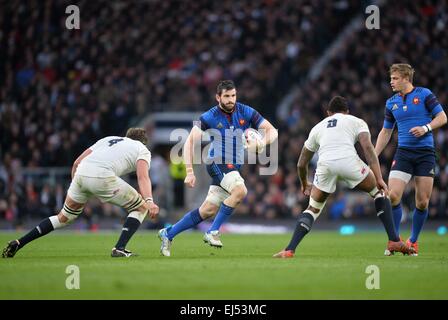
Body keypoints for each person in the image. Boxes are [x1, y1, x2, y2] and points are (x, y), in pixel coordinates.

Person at [273, 96, 415, 258]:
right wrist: (379, 177)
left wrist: (304, 183)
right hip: (349, 162)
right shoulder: (356, 121)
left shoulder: (317, 127)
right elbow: (368, 149)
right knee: (379, 192)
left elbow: (301, 163)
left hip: (325, 165)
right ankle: (394, 240)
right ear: (347, 112)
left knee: (312, 209)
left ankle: (289, 249)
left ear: (328, 113)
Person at [158, 80, 278, 256]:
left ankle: (168, 233)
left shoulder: (246, 111)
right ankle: (212, 231)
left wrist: (261, 141)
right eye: (227, 96)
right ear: (218, 97)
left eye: (233, 95)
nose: (231, 100)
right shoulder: (208, 117)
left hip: (232, 166)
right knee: (240, 190)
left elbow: (272, 131)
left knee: (207, 210)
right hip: (217, 161)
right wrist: (190, 172)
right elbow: (190, 142)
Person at [2, 128, 159, 258]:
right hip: (102, 175)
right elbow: (142, 176)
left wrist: (77, 186)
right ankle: (119, 248)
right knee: (141, 207)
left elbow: (77, 162)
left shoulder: (108, 139)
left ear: (126, 136)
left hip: (80, 174)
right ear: (143, 142)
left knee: (63, 218)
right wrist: (150, 200)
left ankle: (19, 242)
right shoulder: (142, 149)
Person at [375, 63, 447, 256]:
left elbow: (442, 117)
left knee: (422, 202)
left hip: (425, 153)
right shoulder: (391, 103)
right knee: (393, 196)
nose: (391, 82)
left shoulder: (424, 94)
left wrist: (426, 128)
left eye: (395, 78)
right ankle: (395, 240)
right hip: (404, 153)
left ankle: (413, 241)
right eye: (391, 78)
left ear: (406, 78)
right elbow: (386, 131)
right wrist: (373, 155)